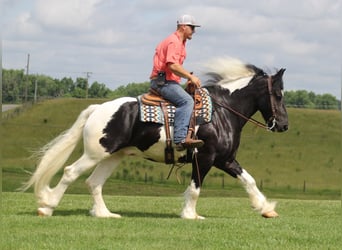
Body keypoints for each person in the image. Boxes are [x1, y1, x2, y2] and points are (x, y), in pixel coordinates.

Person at [150, 14, 204, 151]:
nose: (194, 31)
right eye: (192, 27)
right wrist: (190, 77)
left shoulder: (179, 42)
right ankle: (180, 139)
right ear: (183, 27)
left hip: (168, 81)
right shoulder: (174, 42)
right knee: (187, 101)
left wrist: (185, 77)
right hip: (164, 82)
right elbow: (172, 65)